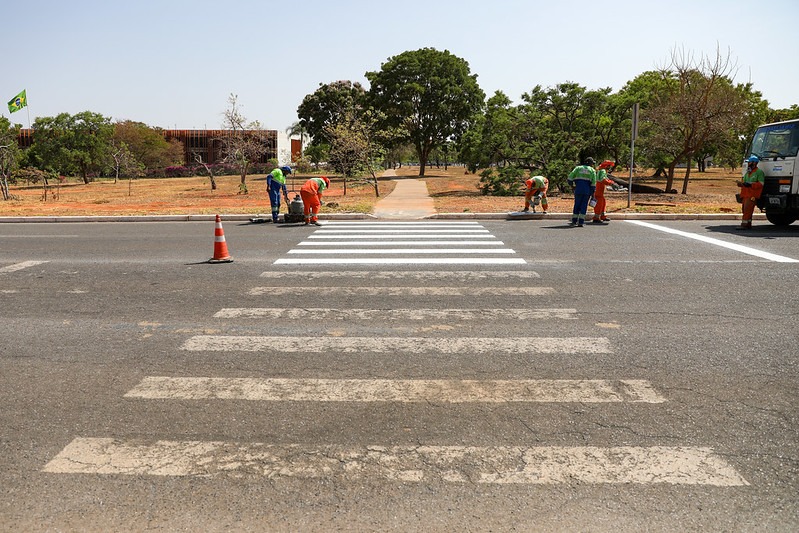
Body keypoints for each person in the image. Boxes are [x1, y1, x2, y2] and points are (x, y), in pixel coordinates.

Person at [736, 155, 764, 230]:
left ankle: (744, 225)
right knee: (745, 210)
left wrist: (751, 184)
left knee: (748, 209)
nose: (748, 164)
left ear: (754, 163)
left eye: (750, 162)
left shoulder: (759, 172)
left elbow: (761, 184)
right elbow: (744, 182)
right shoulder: (748, 172)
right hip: (745, 194)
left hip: (752, 194)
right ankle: (748, 223)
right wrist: (741, 184)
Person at [567, 157, 597, 227]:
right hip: (587, 191)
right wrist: (593, 194)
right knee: (584, 206)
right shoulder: (592, 170)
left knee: (577, 205)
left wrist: (572, 186)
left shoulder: (578, 168)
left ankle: (574, 221)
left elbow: (569, 179)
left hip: (578, 190)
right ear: (590, 164)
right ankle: (581, 222)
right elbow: (593, 184)